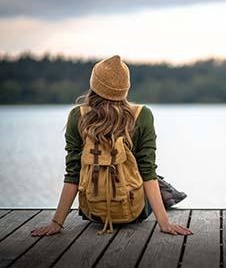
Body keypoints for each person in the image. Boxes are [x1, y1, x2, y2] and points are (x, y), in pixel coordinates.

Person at [30, 55, 193, 237]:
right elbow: (147, 172)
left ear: (94, 84)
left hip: (93, 213)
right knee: (155, 178)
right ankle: (171, 196)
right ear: (125, 88)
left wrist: (56, 223)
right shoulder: (142, 115)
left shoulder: (77, 115)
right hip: (134, 213)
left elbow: (73, 173)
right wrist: (165, 224)